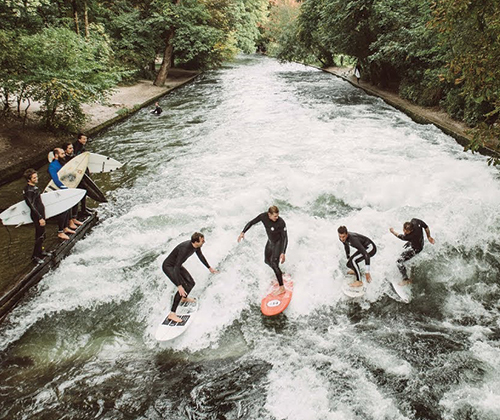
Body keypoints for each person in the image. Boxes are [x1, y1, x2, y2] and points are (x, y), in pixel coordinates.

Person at [162, 232, 218, 323]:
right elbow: (176, 267)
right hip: (169, 266)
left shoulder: (196, 247)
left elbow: (200, 256)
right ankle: (172, 314)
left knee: (191, 283)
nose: (204, 242)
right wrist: (179, 285)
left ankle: (183, 298)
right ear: (196, 242)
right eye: (202, 241)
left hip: (177, 266)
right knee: (183, 287)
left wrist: (209, 267)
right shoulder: (185, 249)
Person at [238, 206, 288, 295]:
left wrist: (283, 252)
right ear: (269, 214)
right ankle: (279, 273)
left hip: (278, 243)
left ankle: (282, 288)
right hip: (270, 242)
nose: (277, 218)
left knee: (274, 263)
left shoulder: (281, 222)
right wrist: (243, 232)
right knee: (267, 261)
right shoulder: (263, 217)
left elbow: (285, 238)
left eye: (277, 215)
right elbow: (251, 222)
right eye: (275, 216)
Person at [390, 218, 435, 286]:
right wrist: (429, 237)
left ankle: (406, 279)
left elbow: (399, 236)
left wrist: (392, 231)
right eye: (404, 230)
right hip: (417, 241)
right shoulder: (415, 221)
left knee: (399, 261)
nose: (405, 233)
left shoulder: (410, 236)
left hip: (417, 248)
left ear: (411, 230)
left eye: (407, 232)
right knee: (405, 249)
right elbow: (426, 226)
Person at [23, 169, 52, 264]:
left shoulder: (34, 188)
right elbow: (31, 205)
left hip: (40, 213)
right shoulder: (28, 191)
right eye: (34, 178)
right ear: (28, 179)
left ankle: (40, 251)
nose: (36, 179)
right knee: (39, 235)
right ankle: (34, 256)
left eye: (36, 177)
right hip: (36, 215)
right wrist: (40, 217)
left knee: (43, 234)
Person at [48, 148, 76, 238]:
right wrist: (64, 187)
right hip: (58, 191)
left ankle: (65, 227)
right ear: (56, 155)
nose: (64, 155)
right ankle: (60, 232)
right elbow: (55, 179)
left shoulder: (62, 163)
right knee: (62, 210)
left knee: (67, 208)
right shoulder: (52, 166)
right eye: (62, 154)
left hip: (66, 189)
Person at [61, 142, 84, 228]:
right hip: (68, 183)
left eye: (72, 148)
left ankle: (74, 217)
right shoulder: (63, 159)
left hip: (75, 181)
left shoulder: (73, 156)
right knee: (69, 203)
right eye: (70, 148)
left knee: (76, 200)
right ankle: (69, 222)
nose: (72, 149)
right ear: (65, 150)